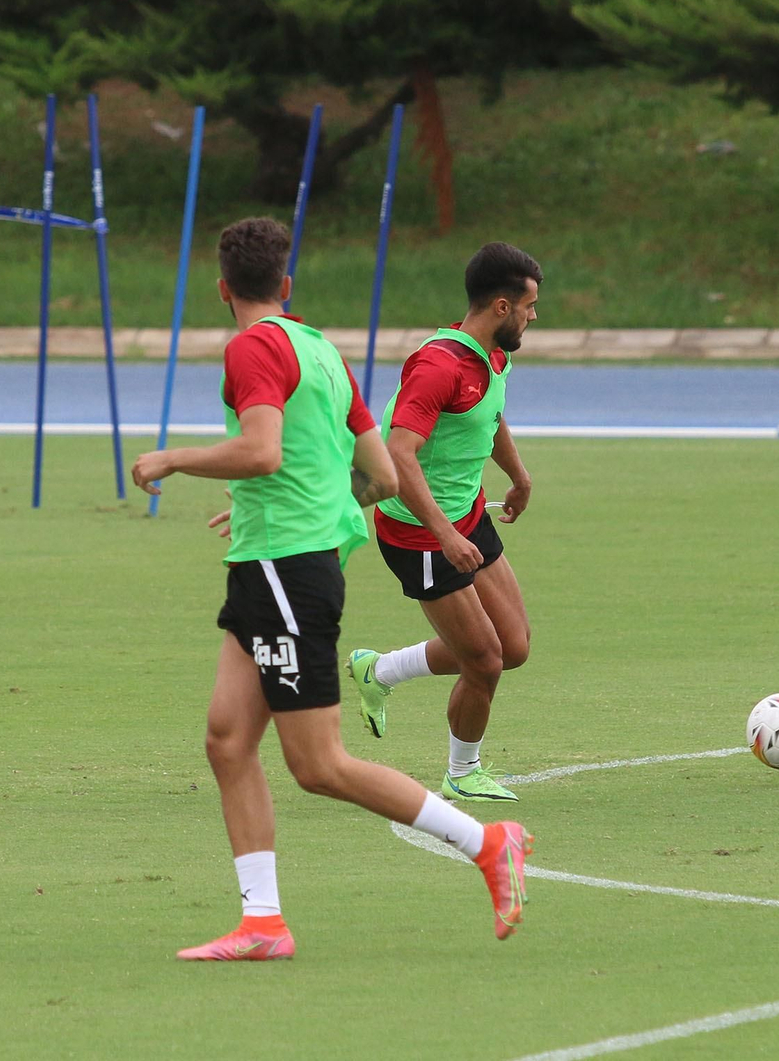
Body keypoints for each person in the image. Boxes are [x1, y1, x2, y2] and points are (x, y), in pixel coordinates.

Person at [131, 218, 532, 961]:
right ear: (285, 286)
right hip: (271, 559)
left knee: (317, 764)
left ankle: (487, 842)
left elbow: (260, 449)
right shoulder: (320, 349)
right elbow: (380, 476)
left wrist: (174, 458)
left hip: (287, 567)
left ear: (223, 290)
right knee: (227, 739)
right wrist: (294, 500)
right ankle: (262, 923)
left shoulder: (250, 346)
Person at [346, 243, 540, 804]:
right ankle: (463, 770)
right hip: (418, 533)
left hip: (466, 514)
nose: (534, 316)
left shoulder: (493, 355)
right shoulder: (439, 366)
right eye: (529, 306)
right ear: (501, 306)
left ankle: (379, 670)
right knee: (485, 659)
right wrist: (445, 535)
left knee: (514, 645)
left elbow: (491, 417)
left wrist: (519, 477)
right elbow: (399, 454)